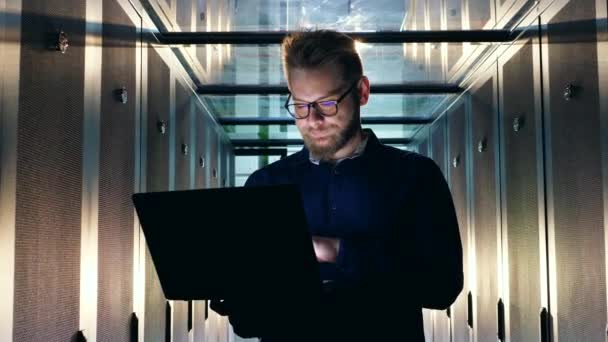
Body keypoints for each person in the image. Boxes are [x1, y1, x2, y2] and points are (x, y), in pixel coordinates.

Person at [211, 29, 463, 341]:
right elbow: (248, 324)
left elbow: (442, 286)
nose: (313, 119)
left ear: (362, 92)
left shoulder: (415, 177)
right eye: (301, 106)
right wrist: (235, 293)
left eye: (327, 103)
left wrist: (335, 251)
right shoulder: (265, 184)